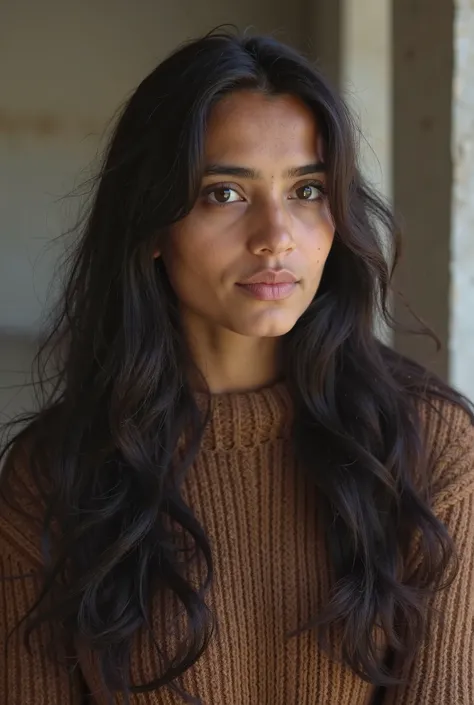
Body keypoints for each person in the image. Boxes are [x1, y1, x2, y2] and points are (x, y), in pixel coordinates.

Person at [0, 29, 473, 705]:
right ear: (153, 224)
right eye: (226, 193)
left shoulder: (427, 446)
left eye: (308, 190)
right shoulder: (55, 475)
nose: (276, 236)